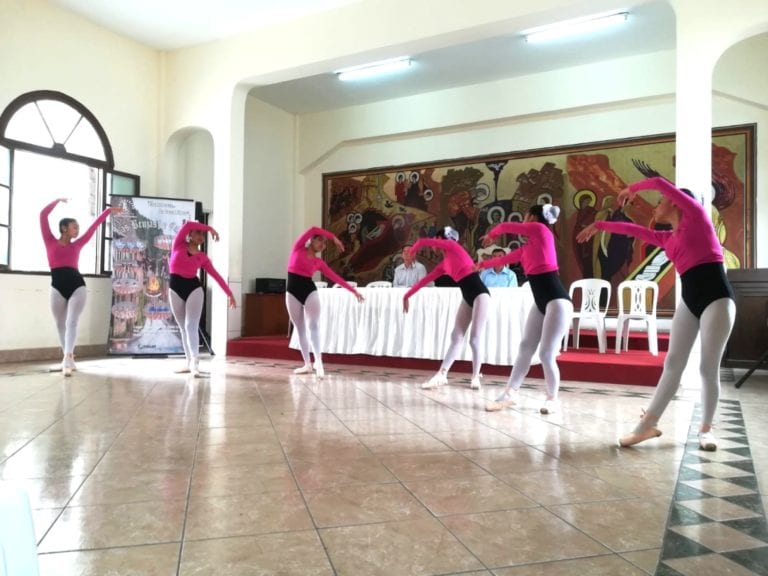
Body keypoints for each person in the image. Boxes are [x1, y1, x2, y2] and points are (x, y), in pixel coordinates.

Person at [577, 177, 736, 450]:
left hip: (717, 300)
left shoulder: (698, 218)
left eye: (660, 202)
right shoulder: (667, 238)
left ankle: (707, 430)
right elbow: (633, 230)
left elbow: (661, 183)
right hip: (689, 301)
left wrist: (632, 188)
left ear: (675, 203)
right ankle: (646, 426)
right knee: (673, 363)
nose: (655, 206)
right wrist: (599, 225)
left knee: (707, 368)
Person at [480, 204, 573, 414]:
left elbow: (505, 226)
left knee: (547, 353)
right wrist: (482, 266)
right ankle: (510, 393)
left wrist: (492, 234)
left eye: (525, 215)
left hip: (558, 301)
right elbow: (505, 259)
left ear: (532, 216)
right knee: (525, 347)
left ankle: (552, 398)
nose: (523, 219)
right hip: (541, 303)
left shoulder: (542, 231)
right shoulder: (529, 247)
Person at [40, 198, 121, 376]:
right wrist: (56, 201)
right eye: (74, 227)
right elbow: (43, 214)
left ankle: (68, 357)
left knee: (71, 322)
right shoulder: (49, 241)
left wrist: (108, 212)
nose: (77, 230)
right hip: (57, 286)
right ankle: (67, 359)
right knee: (60, 323)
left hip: (77, 286)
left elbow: (93, 227)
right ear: (64, 228)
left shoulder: (78, 244)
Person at [403, 226, 490, 390]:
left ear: (441, 240)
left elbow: (422, 241)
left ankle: (475, 375)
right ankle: (442, 374)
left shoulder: (453, 246)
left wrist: (413, 249)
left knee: (474, 338)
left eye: (435, 241)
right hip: (467, 298)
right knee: (456, 336)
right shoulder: (444, 264)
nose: (433, 245)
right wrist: (407, 295)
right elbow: (424, 281)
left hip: (481, 295)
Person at [287, 227, 364, 378]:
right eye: (320, 240)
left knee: (313, 326)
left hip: (309, 291)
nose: (323, 244)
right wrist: (333, 237)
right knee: (300, 328)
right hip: (292, 291)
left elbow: (336, 278)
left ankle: (319, 363)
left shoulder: (318, 262)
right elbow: (313, 228)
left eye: (325, 242)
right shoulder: (298, 248)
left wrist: (353, 291)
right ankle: (307, 365)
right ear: (311, 240)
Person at [169, 220, 236, 376]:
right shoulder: (178, 244)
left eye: (203, 234)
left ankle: (195, 363)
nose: (201, 236)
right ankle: (188, 362)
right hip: (175, 289)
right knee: (182, 328)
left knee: (190, 326)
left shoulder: (203, 257)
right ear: (190, 234)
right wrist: (210, 228)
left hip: (194, 289)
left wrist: (229, 293)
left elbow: (217, 276)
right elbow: (187, 225)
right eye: (198, 232)